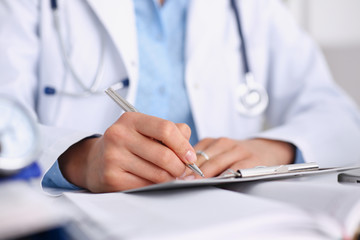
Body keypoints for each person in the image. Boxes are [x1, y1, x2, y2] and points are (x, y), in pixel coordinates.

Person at [0, 0, 359, 193]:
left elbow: (340, 118)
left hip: (224, 215)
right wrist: (80, 160)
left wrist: (274, 148)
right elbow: (5, 119)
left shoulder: (253, 7)